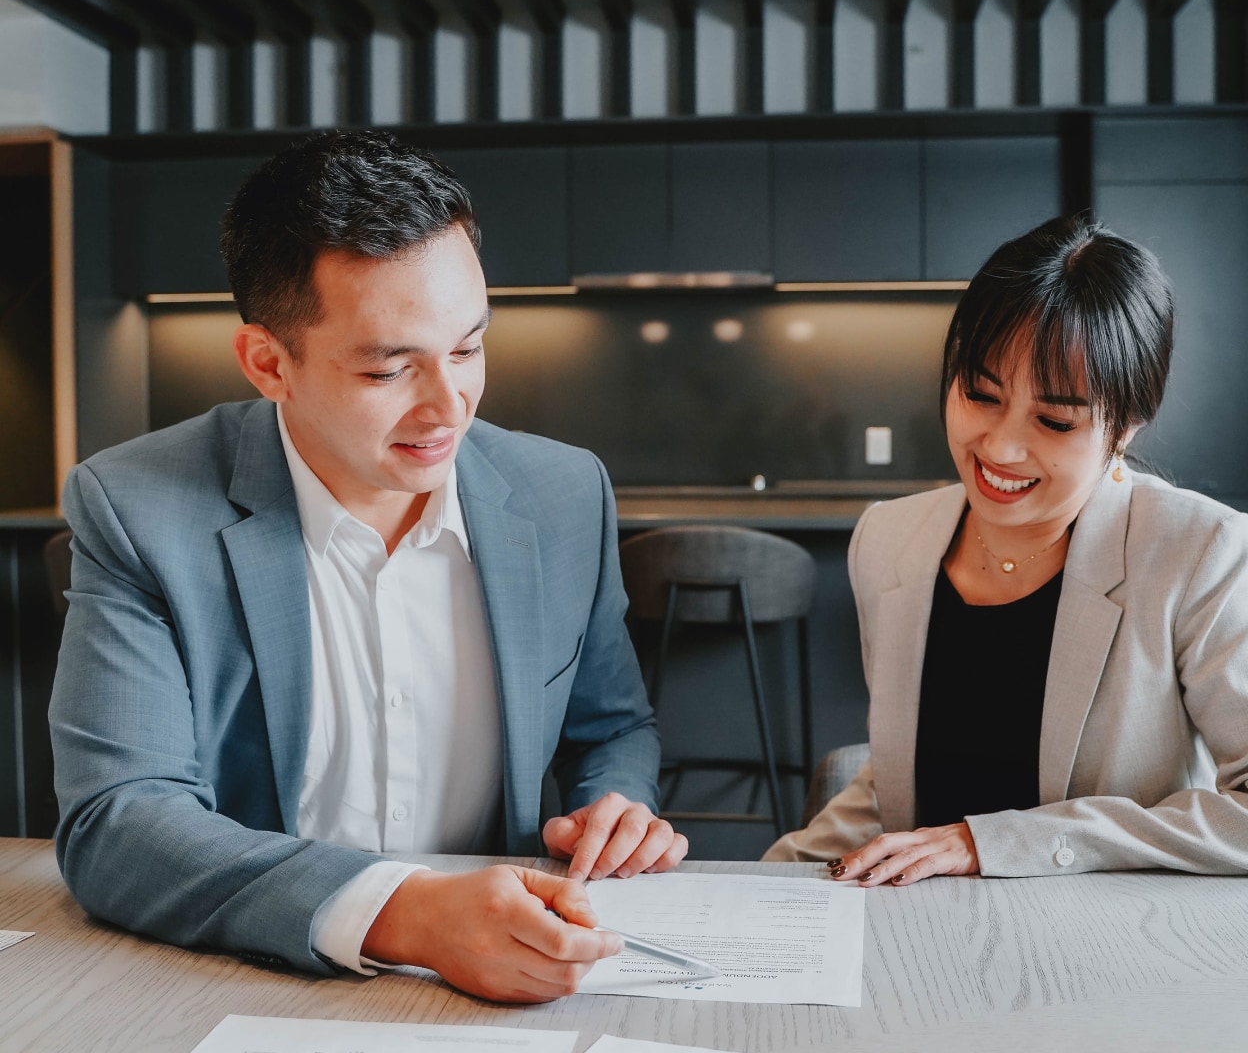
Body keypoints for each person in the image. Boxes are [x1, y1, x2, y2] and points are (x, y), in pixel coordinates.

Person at [49, 130, 686, 1003]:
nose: (448, 406)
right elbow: (117, 822)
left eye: (467, 349)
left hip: (502, 979)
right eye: (391, 368)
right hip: (243, 970)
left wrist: (616, 806)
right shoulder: (139, 508)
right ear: (270, 363)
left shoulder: (564, 493)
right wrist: (411, 914)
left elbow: (610, 728)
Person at [766, 214, 1248, 883]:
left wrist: (997, 842)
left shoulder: (1200, 552)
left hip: (1106, 947)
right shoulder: (890, 539)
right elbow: (901, 784)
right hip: (921, 939)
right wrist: (765, 879)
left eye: (1054, 420)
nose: (999, 447)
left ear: (1126, 428)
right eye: (980, 394)